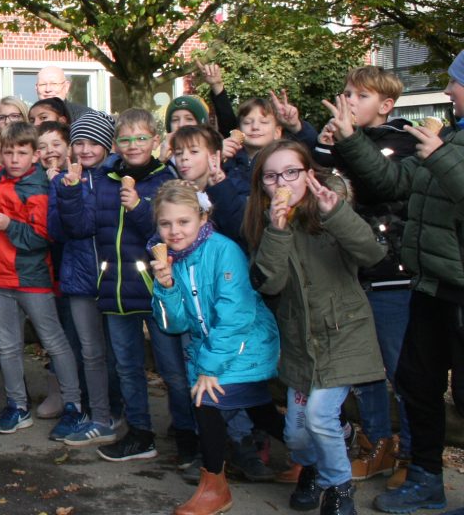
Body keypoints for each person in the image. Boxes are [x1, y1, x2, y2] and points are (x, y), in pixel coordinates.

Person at [325, 53, 464, 514]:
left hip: (452, 286)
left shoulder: (444, 146)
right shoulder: (453, 137)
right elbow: (390, 182)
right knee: (417, 382)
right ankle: (424, 477)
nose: (448, 92)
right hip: (430, 284)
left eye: (456, 83)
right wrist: (347, 139)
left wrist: (442, 158)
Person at [245, 139, 386, 515]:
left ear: (308, 175)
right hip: (299, 343)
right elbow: (270, 284)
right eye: (272, 176)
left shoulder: (331, 210)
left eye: (291, 172)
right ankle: (320, 456)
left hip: (343, 333)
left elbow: (372, 254)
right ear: (263, 185)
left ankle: (339, 491)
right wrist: (277, 231)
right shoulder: (265, 225)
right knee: (296, 434)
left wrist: (337, 214)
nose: (282, 183)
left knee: (320, 416)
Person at [59, 108, 196, 464]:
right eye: (125, 139)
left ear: (155, 141)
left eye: (140, 138)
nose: (132, 145)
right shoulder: (106, 180)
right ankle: (140, 433)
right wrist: (72, 193)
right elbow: (83, 227)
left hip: (158, 290)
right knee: (127, 367)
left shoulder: (167, 181)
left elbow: (170, 237)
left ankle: (189, 437)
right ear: (115, 144)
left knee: (173, 371)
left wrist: (137, 208)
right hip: (117, 289)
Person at [148, 181, 284, 515]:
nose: (174, 231)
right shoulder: (174, 261)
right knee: (261, 410)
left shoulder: (224, 250)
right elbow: (173, 325)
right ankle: (310, 456)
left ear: (202, 217)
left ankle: (214, 487)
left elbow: (236, 315)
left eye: (183, 222)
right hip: (215, 350)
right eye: (166, 224)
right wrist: (165, 287)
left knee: (205, 399)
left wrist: (208, 367)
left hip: (246, 345)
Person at [311, 67, 418, 482]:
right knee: (362, 366)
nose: (349, 100)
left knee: (400, 368)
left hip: (392, 274)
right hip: (352, 272)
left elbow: (378, 186)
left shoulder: (402, 143)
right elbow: (322, 181)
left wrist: (347, 141)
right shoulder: (344, 140)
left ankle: (411, 455)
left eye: (360, 95)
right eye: (347, 92)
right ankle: (378, 444)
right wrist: (321, 141)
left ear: (386, 105)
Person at [0, 121, 82, 440]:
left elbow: (42, 237)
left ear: (35, 155)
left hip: (31, 278)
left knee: (54, 342)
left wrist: (9, 225)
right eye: (8, 152)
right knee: (7, 345)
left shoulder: (39, 187)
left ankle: (74, 406)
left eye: (21, 153)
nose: (14, 159)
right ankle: (17, 405)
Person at [50, 112, 120, 443]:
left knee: (119, 352)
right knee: (91, 351)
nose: (86, 149)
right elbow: (59, 230)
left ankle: (123, 413)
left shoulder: (118, 179)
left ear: (107, 145)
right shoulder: (61, 182)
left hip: (116, 279)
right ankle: (99, 415)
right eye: (79, 142)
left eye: (93, 142)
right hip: (79, 278)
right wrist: (69, 193)